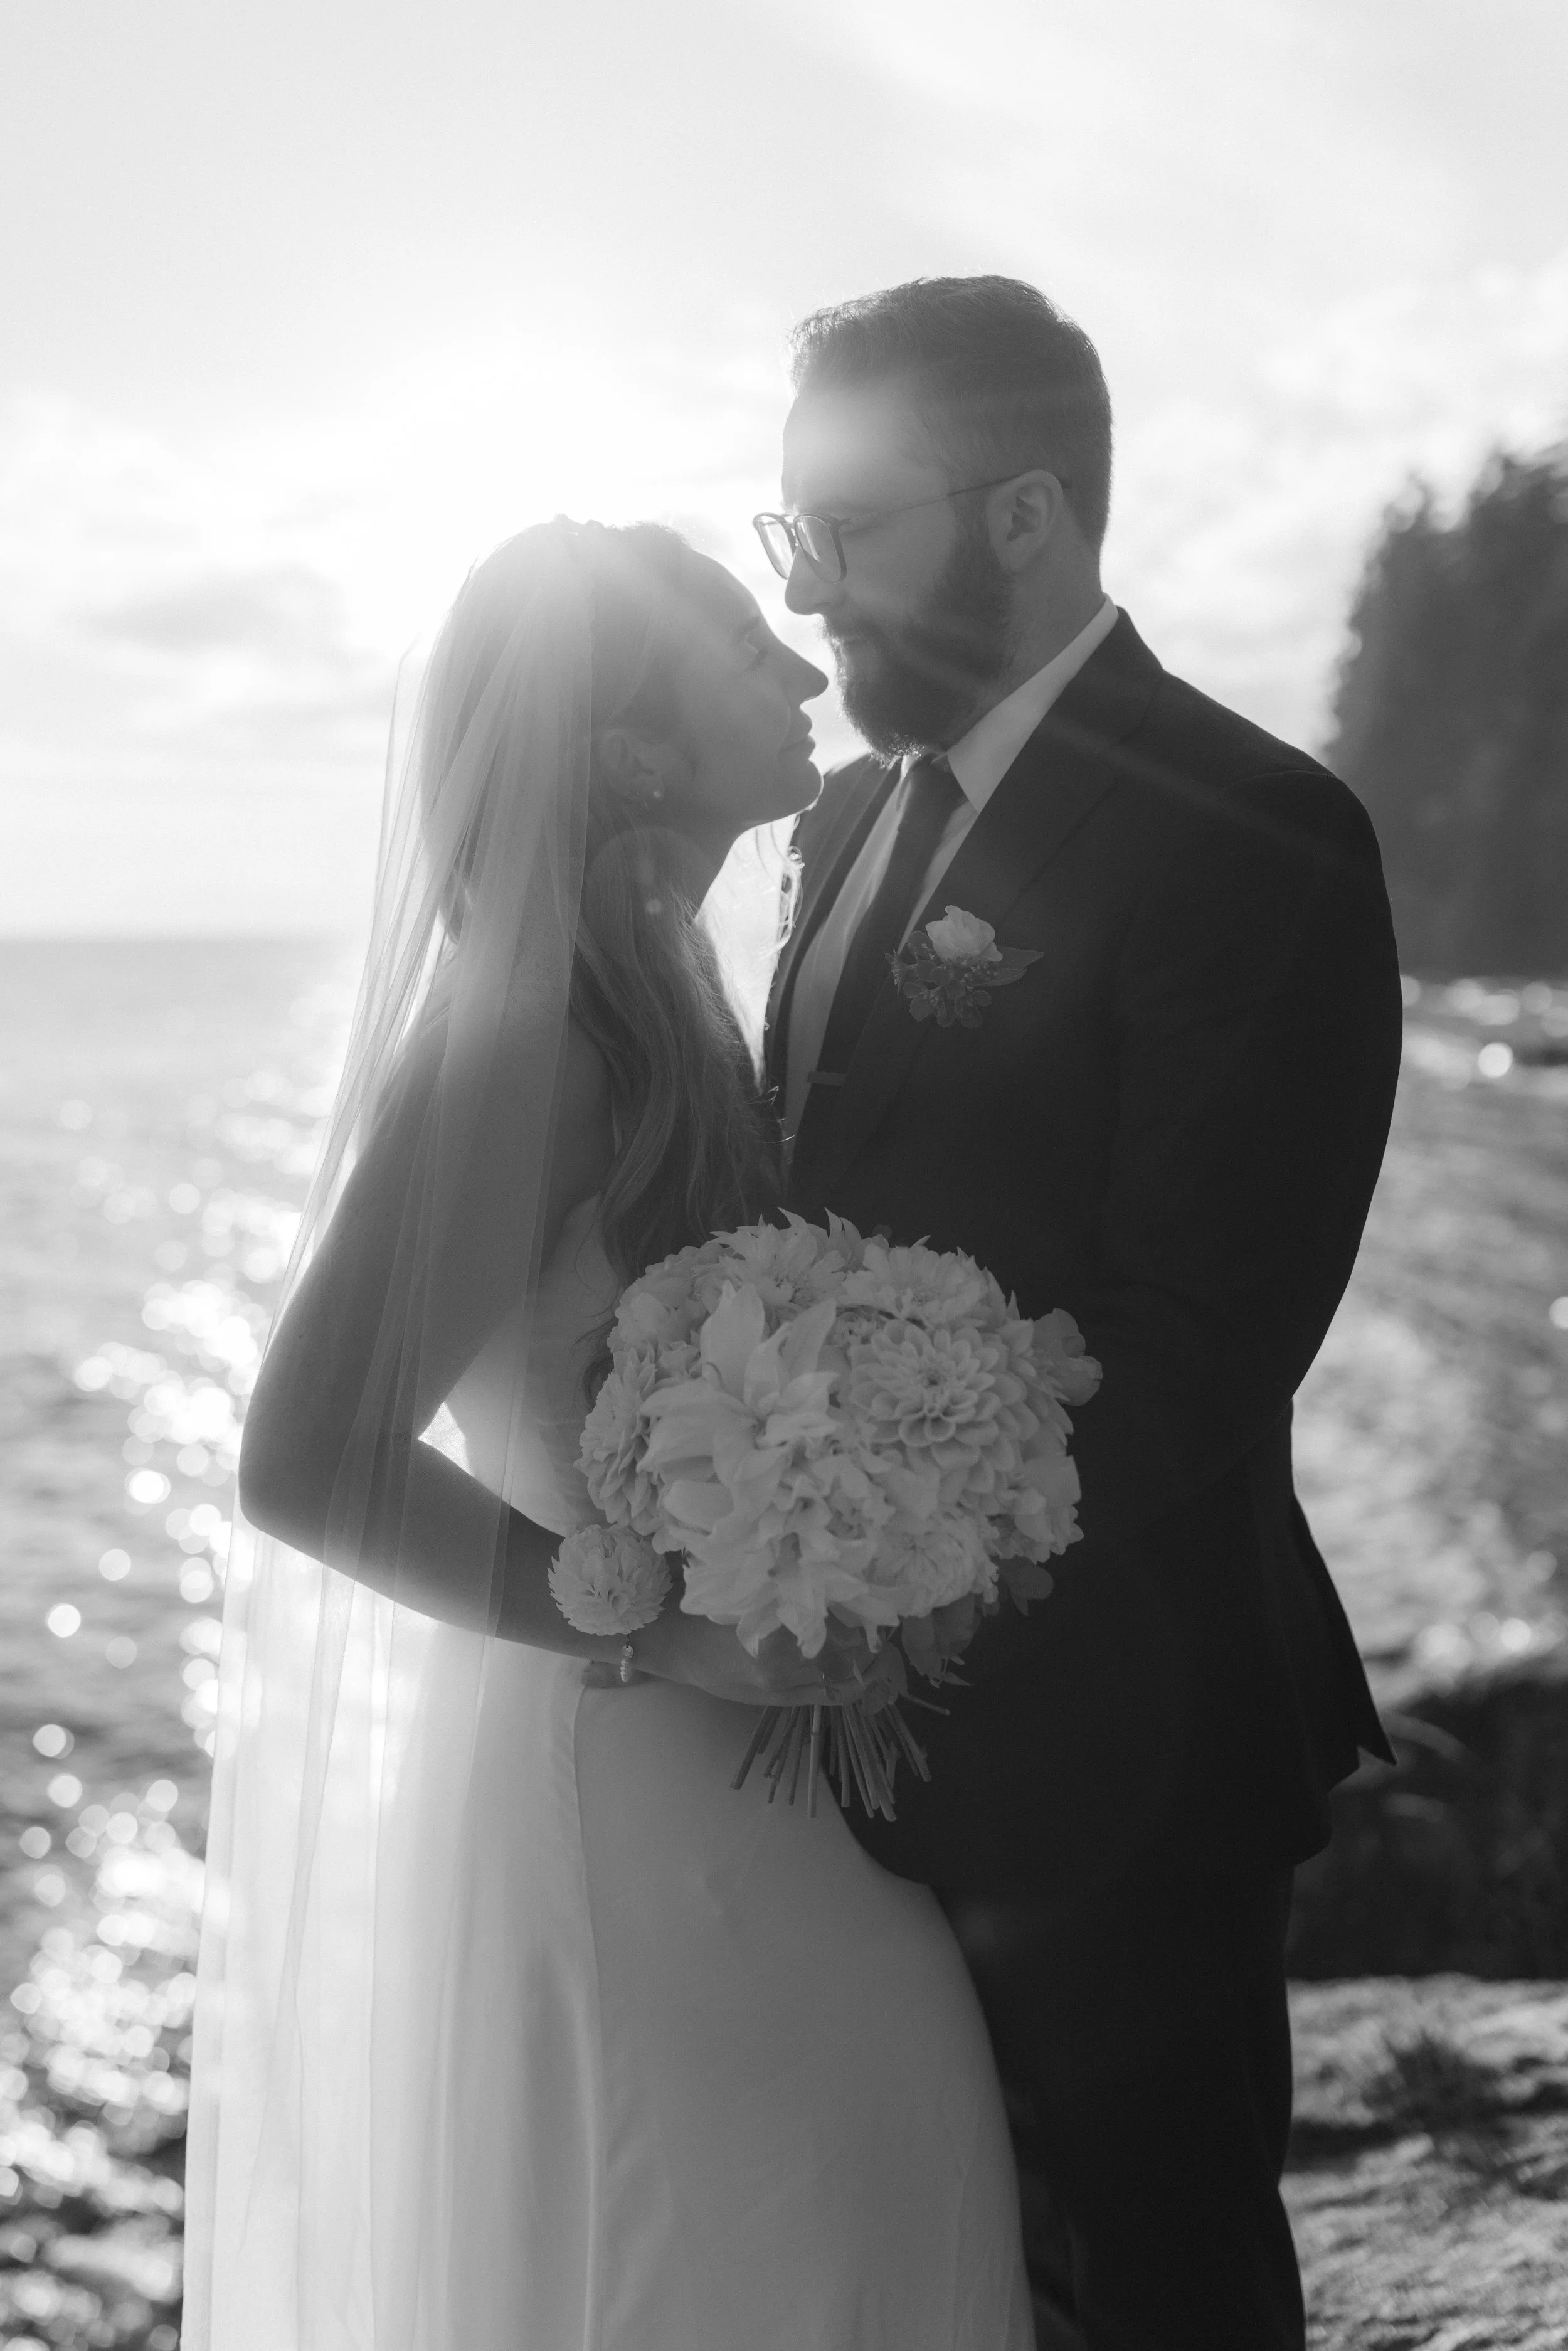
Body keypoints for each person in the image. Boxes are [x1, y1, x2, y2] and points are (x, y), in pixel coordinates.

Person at [183, 517, 1034, 2350]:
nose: (804, 672)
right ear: (636, 750)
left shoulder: (654, 1011)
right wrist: (653, 1620)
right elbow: (305, 1451)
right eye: (744, 647)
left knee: (846, 2208)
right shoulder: (535, 1042)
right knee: (767, 2230)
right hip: (634, 1794)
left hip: (722, 1782)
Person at [758, 275, 1403, 2351]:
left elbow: (1200, 1329)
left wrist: (887, 1570)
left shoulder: (1257, 831)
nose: (810, 595)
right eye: (793, 540)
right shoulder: (847, 819)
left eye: (848, 534)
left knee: (1150, 2282)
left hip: (1118, 1744)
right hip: (820, 1739)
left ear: (1023, 516)